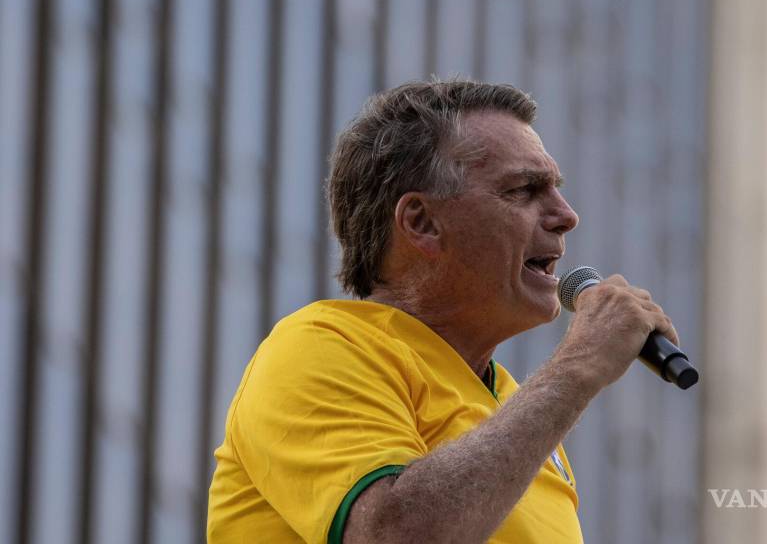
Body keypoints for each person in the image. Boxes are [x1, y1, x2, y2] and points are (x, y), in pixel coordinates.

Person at [207, 80, 678, 543]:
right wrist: (578, 367)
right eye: (523, 190)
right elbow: (393, 536)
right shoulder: (319, 348)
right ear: (422, 223)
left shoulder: (515, 406)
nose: (566, 215)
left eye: (556, 188)